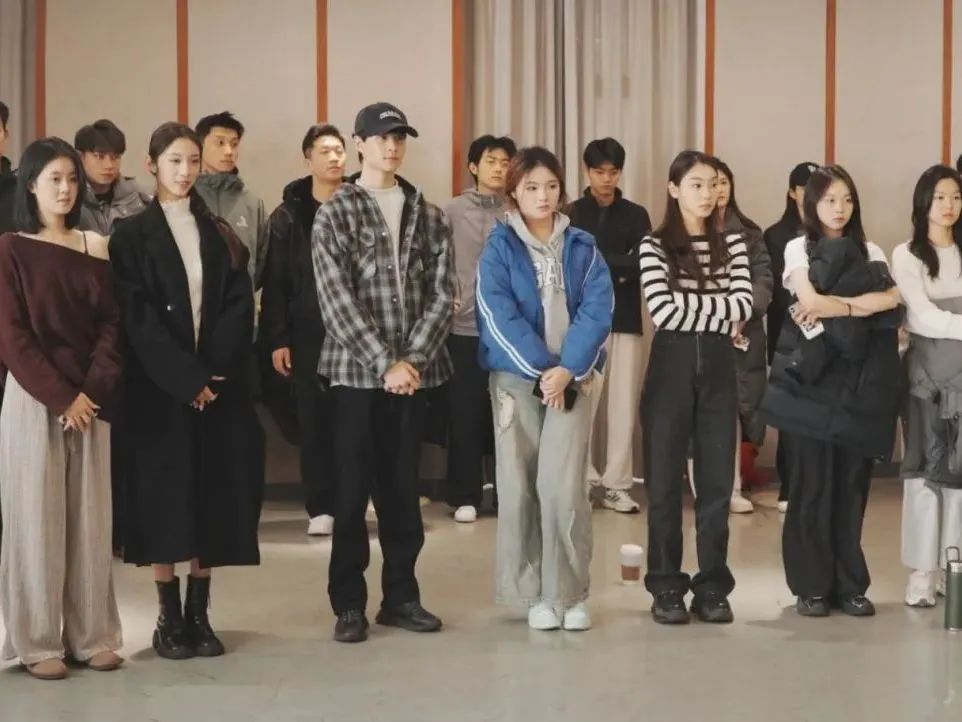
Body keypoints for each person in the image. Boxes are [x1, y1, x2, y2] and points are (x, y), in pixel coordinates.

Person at [110, 122, 264, 660]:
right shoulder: (131, 236)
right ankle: (167, 617)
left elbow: (238, 304)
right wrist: (186, 379)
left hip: (216, 389)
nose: (184, 171)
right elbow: (138, 318)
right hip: (160, 391)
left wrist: (211, 372)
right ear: (152, 165)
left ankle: (200, 613)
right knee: (164, 500)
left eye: (193, 161)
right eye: (174, 160)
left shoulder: (218, 231)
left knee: (211, 496)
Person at [312, 102, 453, 644]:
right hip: (355, 375)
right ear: (359, 144)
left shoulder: (428, 214)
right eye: (381, 137)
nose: (391, 146)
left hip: (411, 377)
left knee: (402, 492)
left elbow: (443, 294)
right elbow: (335, 298)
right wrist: (383, 362)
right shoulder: (336, 211)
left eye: (399, 138)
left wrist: (411, 361)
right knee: (350, 495)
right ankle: (349, 604)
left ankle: (402, 597)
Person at [0, 137, 123, 680]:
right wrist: (61, 397)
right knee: (35, 520)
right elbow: (12, 336)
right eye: (54, 178)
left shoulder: (95, 246)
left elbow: (112, 325)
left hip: (90, 401)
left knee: (90, 519)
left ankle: (93, 635)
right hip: (35, 399)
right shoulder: (10, 248)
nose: (66, 188)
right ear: (31, 185)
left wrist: (91, 391)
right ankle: (36, 642)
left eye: (72, 178)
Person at [477, 146, 613, 631]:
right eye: (532, 187)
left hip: (572, 379)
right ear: (513, 191)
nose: (543, 195)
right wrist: (541, 371)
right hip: (517, 381)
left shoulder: (582, 245)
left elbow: (598, 310)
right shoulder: (499, 246)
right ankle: (533, 593)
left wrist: (567, 370)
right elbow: (496, 314)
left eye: (551, 186)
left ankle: (568, 594)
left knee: (564, 487)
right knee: (519, 487)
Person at [760, 165, 902, 618]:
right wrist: (858, 307)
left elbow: (892, 300)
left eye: (847, 199)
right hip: (811, 381)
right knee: (811, 485)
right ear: (811, 205)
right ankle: (811, 586)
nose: (840, 209)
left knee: (851, 485)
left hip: (856, 382)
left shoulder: (871, 249)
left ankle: (849, 584)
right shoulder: (797, 247)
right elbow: (808, 300)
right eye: (829, 200)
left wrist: (839, 307)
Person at [639, 150, 753, 625]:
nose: (707, 194)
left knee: (716, 482)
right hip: (671, 364)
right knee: (664, 481)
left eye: (713, 184)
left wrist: (707, 310)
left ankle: (712, 586)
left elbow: (744, 304)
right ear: (674, 189)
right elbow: (662, 311)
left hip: (720, 366)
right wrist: (718, 311)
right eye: (696, 185)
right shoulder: (654, 245)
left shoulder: (735, 243)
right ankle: (666, 584)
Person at [262, 124, 346, 536]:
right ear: (307, 158)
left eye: (339, 150)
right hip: (308, 330)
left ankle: (354, 497)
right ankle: (321, 506)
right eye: (325, 150)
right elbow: (275, 281)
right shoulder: (288, 215)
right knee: (314, 421)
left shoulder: (357, 204)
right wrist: (278, 338)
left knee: (354, 418)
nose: (334, 158)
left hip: (354, 331)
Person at [566, 137, 651, 514]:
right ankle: (582, 480)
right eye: (599, 172)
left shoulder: (636, 215)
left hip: (626, 319)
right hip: (582, 321)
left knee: (623, 405)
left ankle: (617, 484)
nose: (606, 179)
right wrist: (618, 263)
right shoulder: (571, 213)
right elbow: (569, 265)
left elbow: (645, 264)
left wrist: (599, 261)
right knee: (581, 404)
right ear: (587, 171)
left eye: (613, 172)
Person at [892, 165, 962, 608]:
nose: (948, 205)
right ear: (923, 202)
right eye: (939, 197)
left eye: (955, 196)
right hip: (926, 378)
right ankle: (922, 572)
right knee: (923, 471)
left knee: (958, 475)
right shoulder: (907, 254)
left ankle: (952, 567)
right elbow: (920, 316)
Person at [444, 133, 517, 523]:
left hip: (510, 331)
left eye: (505, 163)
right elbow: (436, 261)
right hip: (465, 327)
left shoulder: (518, 209)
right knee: (465, 414)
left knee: (510, 415)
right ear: (473, 166)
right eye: (491, 161)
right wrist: (447, 296)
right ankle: (465, 494)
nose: (499, 169)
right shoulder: (452, 210)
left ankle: (509, 493)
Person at [710, 158, 772, 513]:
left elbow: (763, 278)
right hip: (706, 326)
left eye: (723, 182)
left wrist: (744, 311)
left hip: (744, 329)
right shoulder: (688, 228)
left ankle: (732, 487)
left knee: (739, 407)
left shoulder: (749, 231)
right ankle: (709, 486)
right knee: (707, 408)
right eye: (710, 183)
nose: (718, 190)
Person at [764, 162, 819, 513]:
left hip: (825, 330)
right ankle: (788, 485)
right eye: (805, 187)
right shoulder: (775, 234)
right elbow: (776, 291)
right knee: (789, 411)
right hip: (788, 332)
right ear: (792, 192)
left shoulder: (830, 229)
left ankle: (814, 484)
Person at [193, 111, 268, 293]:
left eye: (234, 144)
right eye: (220, 143)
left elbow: (263, 263)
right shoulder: (185, 197)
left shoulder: (252, 203)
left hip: (241, 305)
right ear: (199, 145)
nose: (229, 151)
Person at [74, 119, 150, 235]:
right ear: (81, 157)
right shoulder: (70, 198)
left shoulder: (139, 197)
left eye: (115, 157)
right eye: (100, 156)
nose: (109, 165)